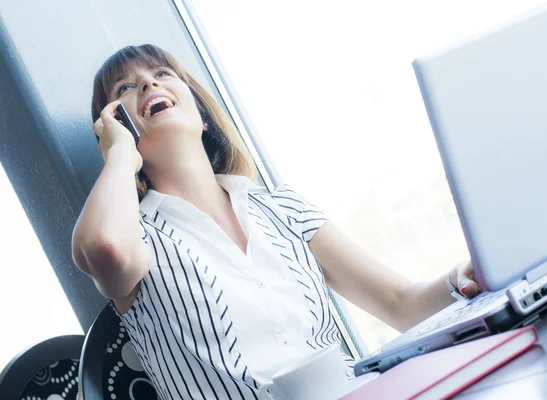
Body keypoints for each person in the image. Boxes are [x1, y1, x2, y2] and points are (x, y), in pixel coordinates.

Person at [71, 44, 480, 399]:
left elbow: (399, 304)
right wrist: (121, 154)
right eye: (125, 87)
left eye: (161, 73)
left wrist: (460, 278)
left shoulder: (283, 208)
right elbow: (105, 249)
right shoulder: (136, 237)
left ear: (202, 113)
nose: (148, 84)